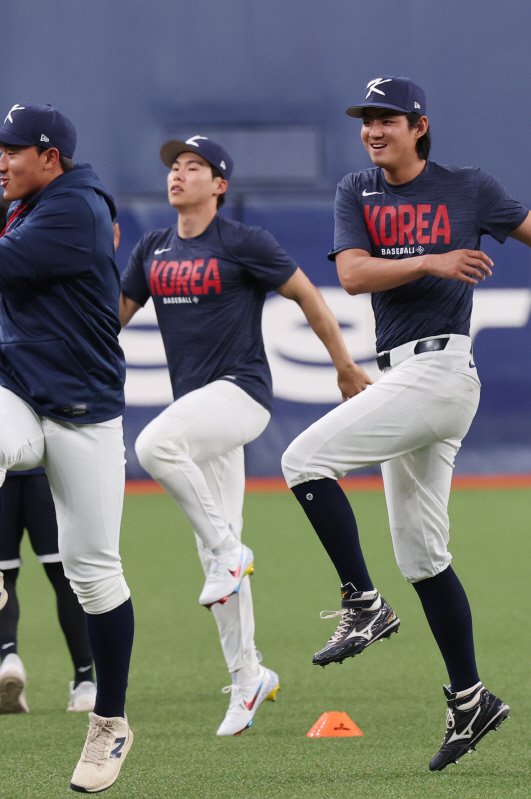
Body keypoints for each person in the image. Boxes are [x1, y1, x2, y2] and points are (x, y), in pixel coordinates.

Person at [280, 75, 531, 771]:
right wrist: (431, 258)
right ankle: (470, 698)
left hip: (440, 372)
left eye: (388, 120)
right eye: (367, 120)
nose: (374, 130)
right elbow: (350, 275)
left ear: (419, 126)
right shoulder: (358, 190)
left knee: (302, 460)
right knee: (424, 556)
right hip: (404, 372)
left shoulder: (467, 188)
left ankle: (363, 601)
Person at [118, 136, 371, 736]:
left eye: (194, 167)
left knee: (154, 448)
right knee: (215, 549)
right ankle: (248, 676)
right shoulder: (152, 248)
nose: (179, 174)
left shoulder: (243, 242)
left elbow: (309, 297)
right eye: (175, 167)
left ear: (220, 184)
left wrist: (343, 364)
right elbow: (111, 323)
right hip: (199, 412)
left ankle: (231, 556)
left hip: (242, 395)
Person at [0, 103, 136, 793]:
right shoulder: (24, 201)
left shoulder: (75, 208)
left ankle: (109, 721)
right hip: (20, 393)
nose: (1, 161)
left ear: (50, 157)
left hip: (84, 413)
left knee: (95, 575)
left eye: (13, 150)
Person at [0, 467, 97, 714]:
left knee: (2, 575)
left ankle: (8, 658)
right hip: (46, 471)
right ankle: (85, 682)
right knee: (65, 577)